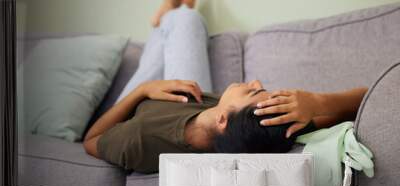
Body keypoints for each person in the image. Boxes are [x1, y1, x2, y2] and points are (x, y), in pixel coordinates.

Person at [83, 1, 367, 174]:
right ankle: (166, 21)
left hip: (140, 108)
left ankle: (164, 23)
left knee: (182, 22)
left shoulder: (137, 139)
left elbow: (91, 139)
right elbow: (369, 99)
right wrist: (317, 103)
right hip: (192, 101)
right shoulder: (254, 125)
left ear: (222, 119)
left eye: (253, 91)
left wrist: (143, 90)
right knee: (186, 18)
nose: (255, 82)